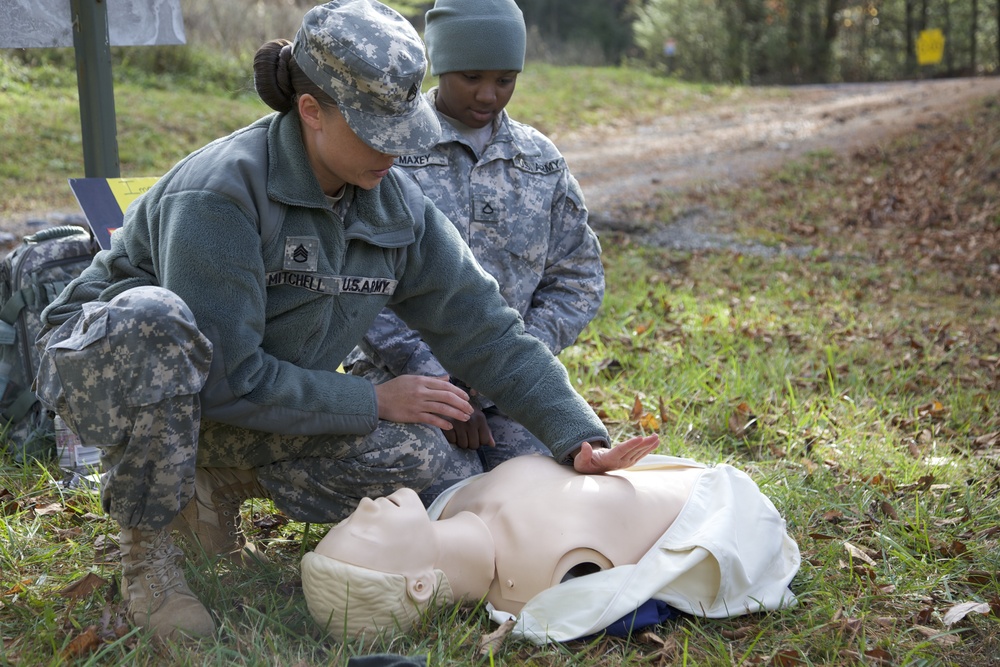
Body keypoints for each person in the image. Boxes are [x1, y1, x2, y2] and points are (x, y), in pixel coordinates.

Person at [32, 0, 655, 641]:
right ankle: (149, 561)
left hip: (236, 397)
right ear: (312, 111)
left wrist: (576, 435)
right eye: (375, 132)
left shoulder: (391, 203)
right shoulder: (222, 194)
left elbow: (486, 328)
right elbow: (223, 376)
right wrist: (374, 399)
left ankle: (213, 478)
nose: (395, 151)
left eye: (402, 130)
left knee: (422, 462)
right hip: (123, 375)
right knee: (154, 320)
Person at [344, 0, 604, 503]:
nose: (489, 94)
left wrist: (512, 364)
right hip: (404, 382)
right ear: (439, 65)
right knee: (449, 498)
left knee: (544, 498)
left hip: (511, 387)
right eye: (471, 76)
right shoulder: (388, 153)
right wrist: (439, 379)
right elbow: (358, 279)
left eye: (506, 79)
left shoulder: (541, 162)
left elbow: (578, 278)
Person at [300, 453, 801, 644]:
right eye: (365, 531)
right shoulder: (536, 577)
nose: (365, 504)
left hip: (676, 474)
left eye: (348, 518)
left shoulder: (452, 508)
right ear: (420, 583)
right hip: (719, 500)